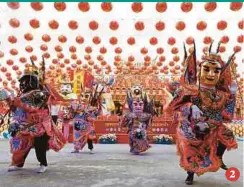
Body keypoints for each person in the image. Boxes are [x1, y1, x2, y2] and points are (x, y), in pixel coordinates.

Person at [167, 43, 238, 185]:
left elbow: (227, 113)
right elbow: (174, 106)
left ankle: (218, 156)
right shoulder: (190, 90)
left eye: (216, 71)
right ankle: (190, 174)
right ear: (200, 70)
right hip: (193, 127)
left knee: (228, 134)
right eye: (207, 69)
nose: (211, 74)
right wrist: (190, 106)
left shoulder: (221, 94)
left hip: (212, 125)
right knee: (193, 152)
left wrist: (233, 94)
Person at [7, 64, 65, 173]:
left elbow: (35, 108)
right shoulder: (21, 95)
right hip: (24, 125)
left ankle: (43, 163)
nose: (22, 84)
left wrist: (20, 104)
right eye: (21, 82)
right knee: (21, 146)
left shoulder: (39, 94)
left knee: (40, 146)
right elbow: (18, 111)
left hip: (38, 125)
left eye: (24, 82)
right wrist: (9, 102)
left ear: (32, 82)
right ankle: (18, 164)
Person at [120, 86, 153, 154]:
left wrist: (146, 125)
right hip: (132, 130)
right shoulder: (129, 115)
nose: (138, 106)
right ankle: (133, 147)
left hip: (142, 130)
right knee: (132, 137)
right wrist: (124, 119)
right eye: (135, 104)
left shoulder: (146, 115)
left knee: (141, 137)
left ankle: (140, 147)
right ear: (131, 105)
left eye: (141, 104)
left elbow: (148, 125)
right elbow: (122, 124)